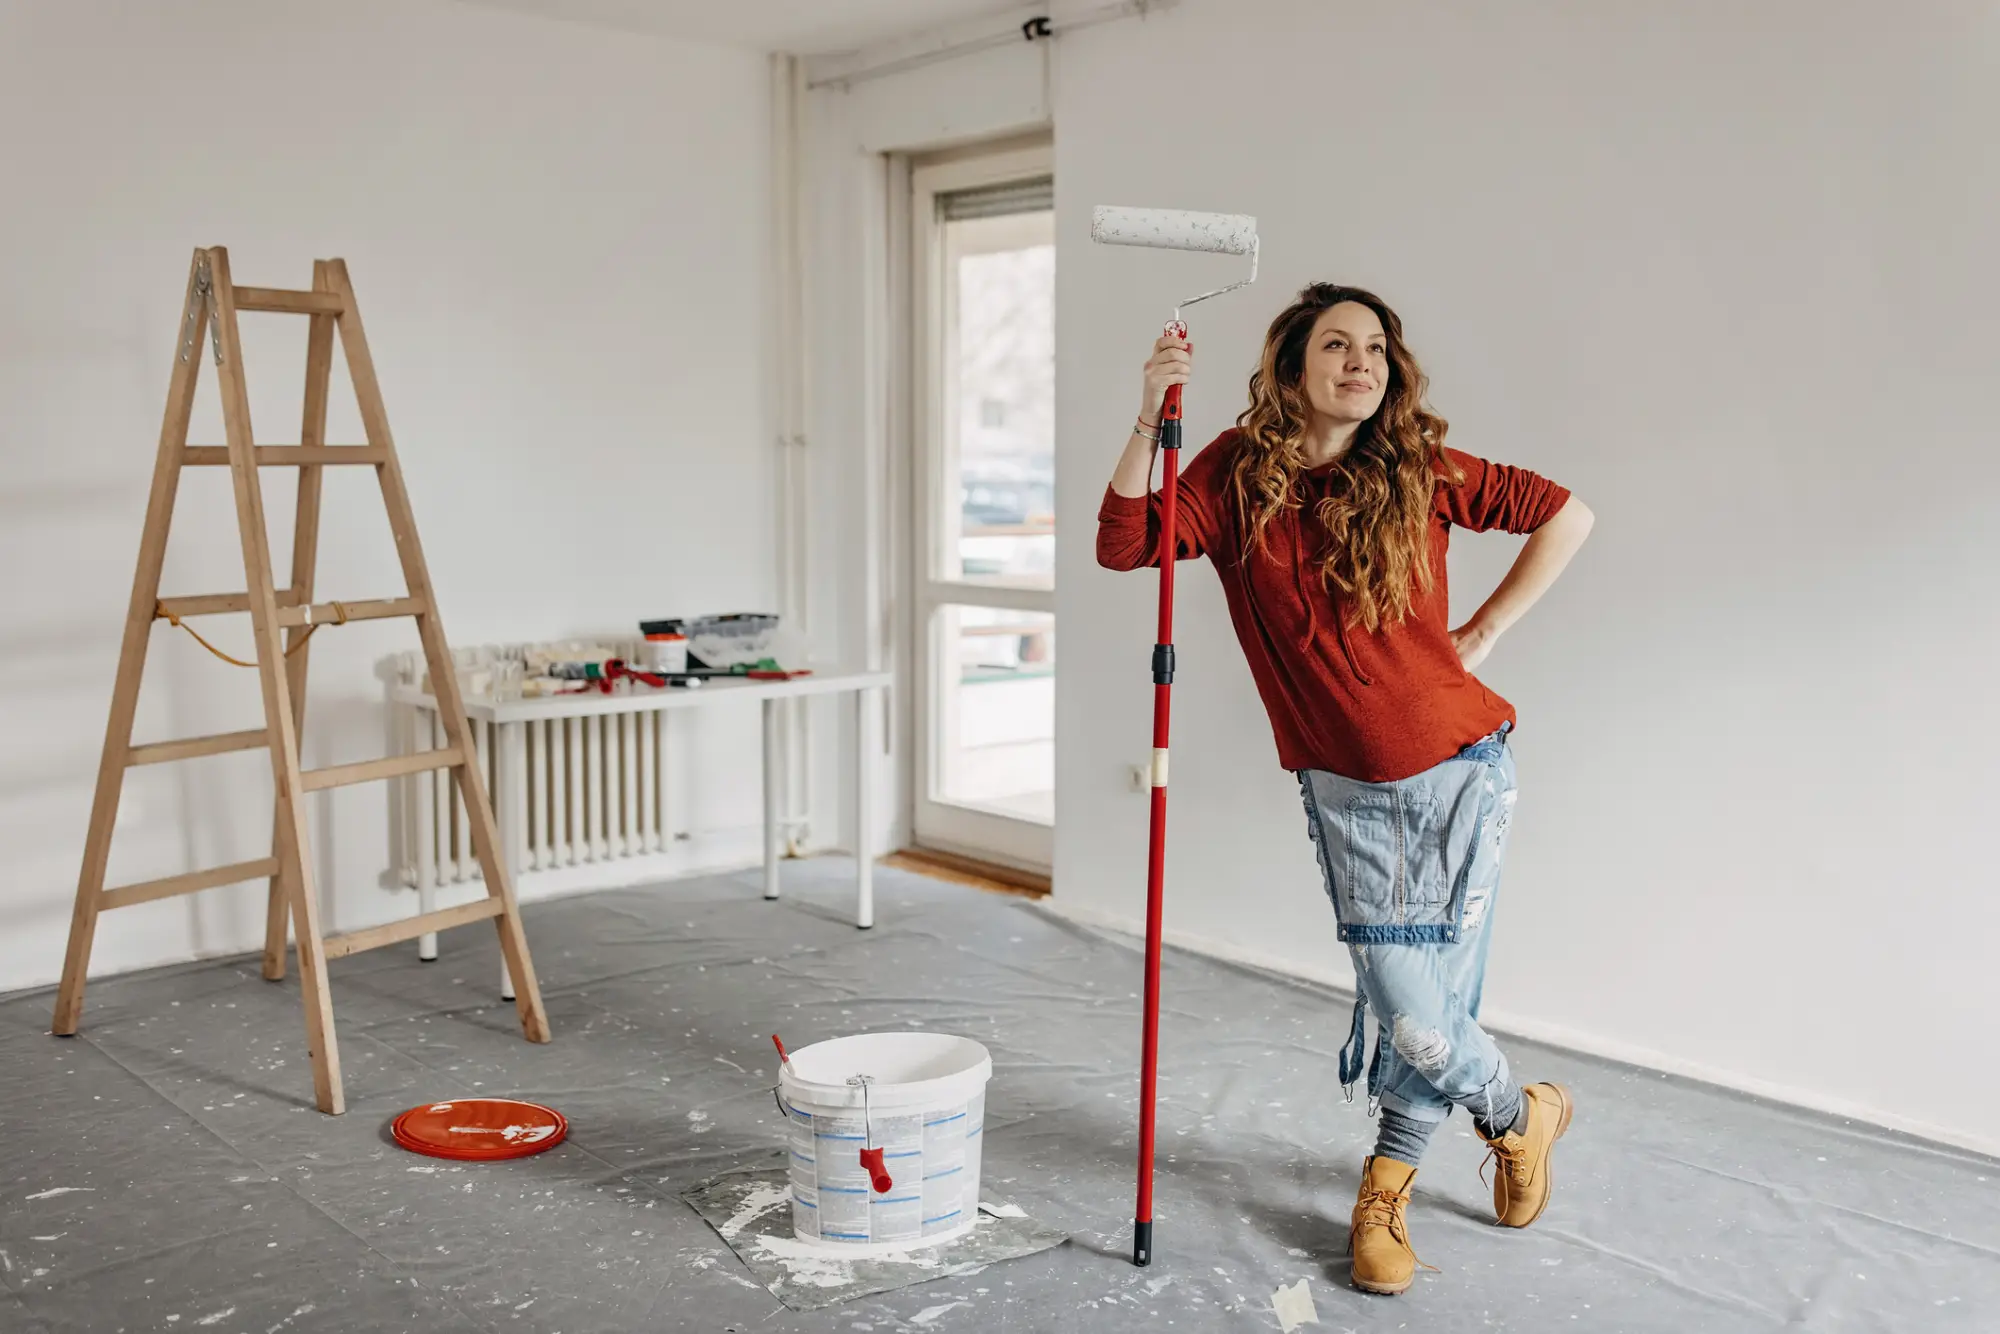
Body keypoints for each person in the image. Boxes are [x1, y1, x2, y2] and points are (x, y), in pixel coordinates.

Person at [1095, 282, 1595, 1296]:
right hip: (1348, 793)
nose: (1359, 362)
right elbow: (1126, 543)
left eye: (1374, 346)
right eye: (1334, 345)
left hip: (1461, 771)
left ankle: (1384, 1189)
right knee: (1417, 1009)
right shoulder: (1236, 473)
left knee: (1426, 1011)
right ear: (1289, 368)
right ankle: (1518, 1114)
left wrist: (1486, 632)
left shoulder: (1413, 468)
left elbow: (1564, 513)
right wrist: (1151, 414)